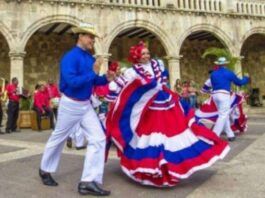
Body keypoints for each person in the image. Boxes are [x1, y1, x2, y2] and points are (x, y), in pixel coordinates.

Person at [106, 41, 230, 187]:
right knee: (152, 137)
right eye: (143, 54)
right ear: (137, 56)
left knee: (175, 132)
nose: (146, 56)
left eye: (147, 53)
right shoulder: (132, 71)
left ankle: (170, 166)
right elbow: (118, 85)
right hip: (149, 109)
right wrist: (112, 83)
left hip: (167, 103)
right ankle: (154, 168)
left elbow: (163, 80)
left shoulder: (157, 65)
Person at [39, 23, 113, 196]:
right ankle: (44, 169)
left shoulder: (89, 58)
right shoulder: (70, 57)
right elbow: (71, 82)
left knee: (99, 138)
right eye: (90, 37)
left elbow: (93, 82)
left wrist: (106, 78)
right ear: (80, 36)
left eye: (93, 38)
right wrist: (93, 73)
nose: (92, 40)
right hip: (70, 104)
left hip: (85, 104)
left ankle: (88, 181)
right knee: (59, 137)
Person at [210, 57, 249, 141]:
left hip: (215, 95)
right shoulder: (229, 73)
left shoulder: (213, 73)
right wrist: (246, 78)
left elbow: (213, 85)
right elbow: (239, 83)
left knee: (224, 115)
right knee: (223, 115)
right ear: (225, 64)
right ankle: (214, 136)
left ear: (218, 64)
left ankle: (230, 134)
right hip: (224, 95)